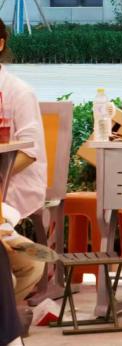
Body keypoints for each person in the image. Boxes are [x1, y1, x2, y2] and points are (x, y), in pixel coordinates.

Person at [0, 17, 46, 305]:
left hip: (13, 182)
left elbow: (30, 152)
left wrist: (1, 176)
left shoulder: (18, 92)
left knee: (32, 262)